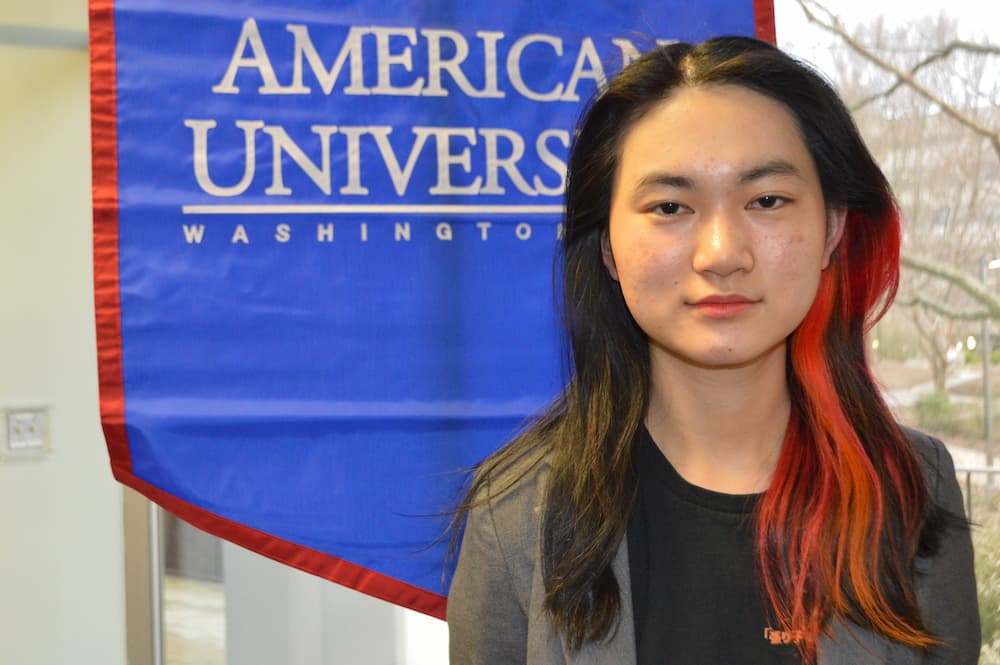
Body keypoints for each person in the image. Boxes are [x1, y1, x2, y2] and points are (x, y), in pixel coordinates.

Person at [446, 37, 980, 665]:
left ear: (832, 228)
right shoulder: (514, 516)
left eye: (767, 201)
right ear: (609, 247)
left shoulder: (911, 488)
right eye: (669, 206)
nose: (722, 253)